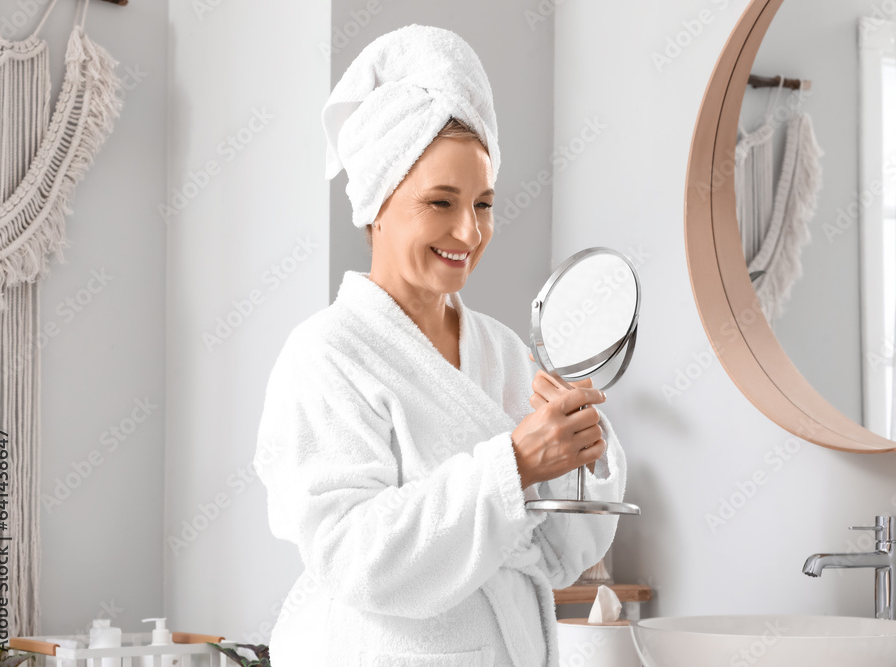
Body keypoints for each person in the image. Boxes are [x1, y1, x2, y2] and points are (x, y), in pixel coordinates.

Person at [252, 24, 628, 667]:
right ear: (377, 201)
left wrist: (581, 451)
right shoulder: (326, 355)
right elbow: (354, 556)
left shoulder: (504, 352)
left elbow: (565, 556)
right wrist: (513, 464)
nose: (469, 230)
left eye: (483, 203)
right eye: (440, 202)